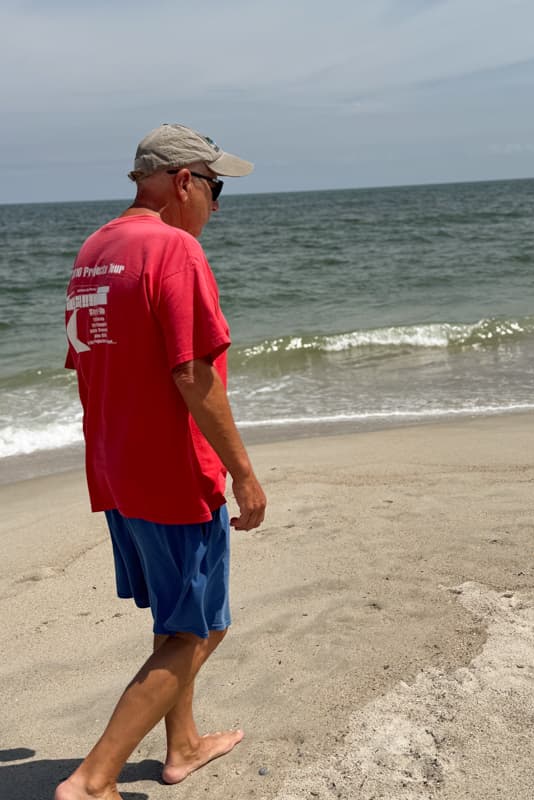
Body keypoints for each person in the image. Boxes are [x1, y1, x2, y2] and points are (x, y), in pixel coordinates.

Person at [57, 124, 267, 800]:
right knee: (203, 625)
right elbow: (193, 373)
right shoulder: (173, 249)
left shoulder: (95, 251)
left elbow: (87, 365)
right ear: (184, 182)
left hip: (116, 468)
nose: (215, 204)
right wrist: (242, 471)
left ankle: (182, 744)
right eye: (216, 188)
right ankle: (93, 779)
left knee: (177, 616)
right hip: (173, 471)